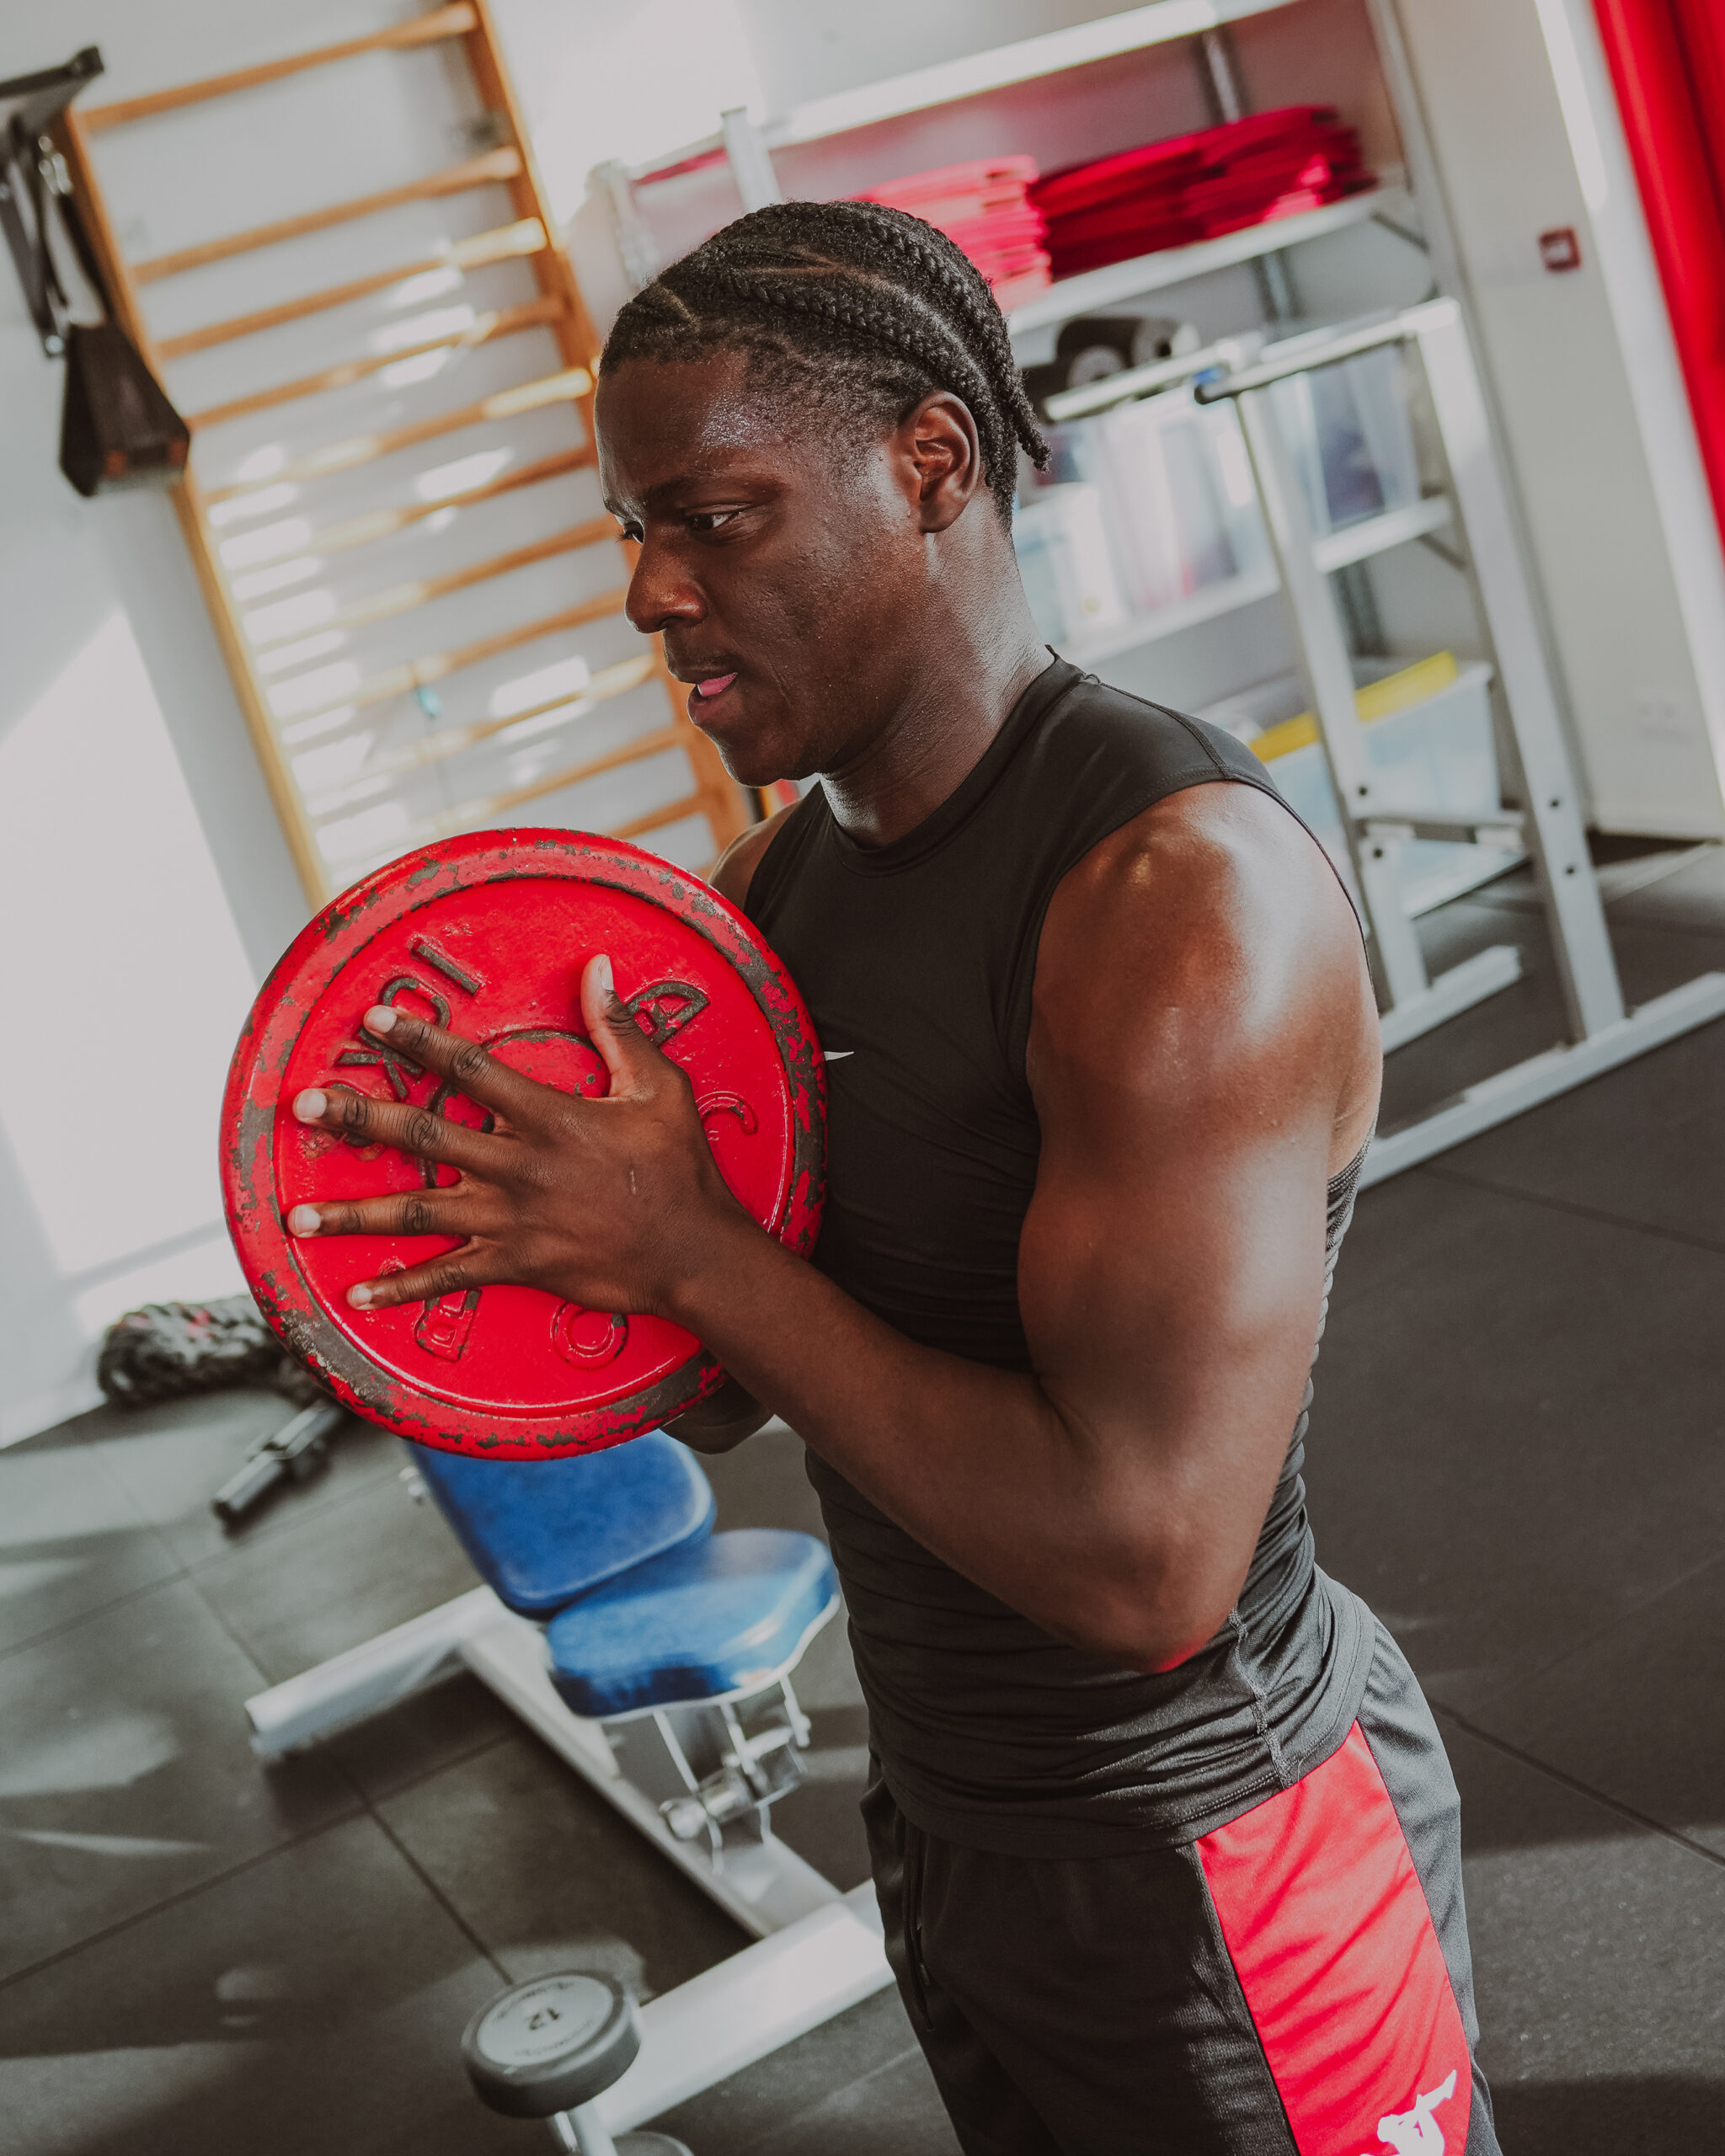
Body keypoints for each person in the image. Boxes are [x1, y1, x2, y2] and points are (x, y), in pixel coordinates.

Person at [286, 203, 1501, 2155]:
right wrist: (515, 1231)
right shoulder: (776, 896)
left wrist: (684, 1243)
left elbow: (1146, 1564)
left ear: (929, 464)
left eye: (714, 513)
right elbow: (732, 1381)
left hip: (1215, 1838)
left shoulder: (1175, 903)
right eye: (631, 529)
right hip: (957, 1837)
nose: (649, 594)